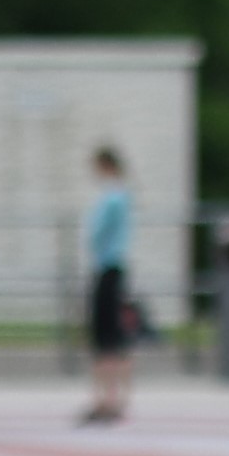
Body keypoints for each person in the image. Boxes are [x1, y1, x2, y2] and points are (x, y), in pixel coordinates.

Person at [80, 145, 134, 425]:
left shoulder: (112, 197)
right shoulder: (121, 195)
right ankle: (114, 398)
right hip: (114, 267)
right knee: (113, 336)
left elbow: (97, 233)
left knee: (106, 336)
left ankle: (107, 399)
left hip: (107, 267)